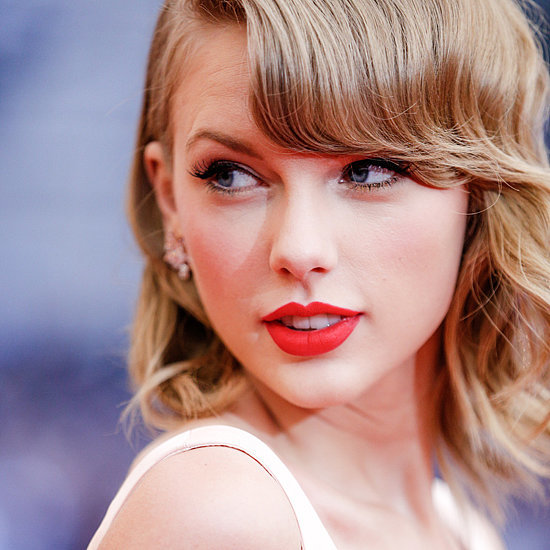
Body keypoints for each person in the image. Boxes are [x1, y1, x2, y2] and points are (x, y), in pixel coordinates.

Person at [88, 0, 550, 548]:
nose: (299, 249)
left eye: (368, 170)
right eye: (231, 175)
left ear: (481, 188)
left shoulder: (460, 529)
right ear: (170, 201)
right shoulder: (216, 514)